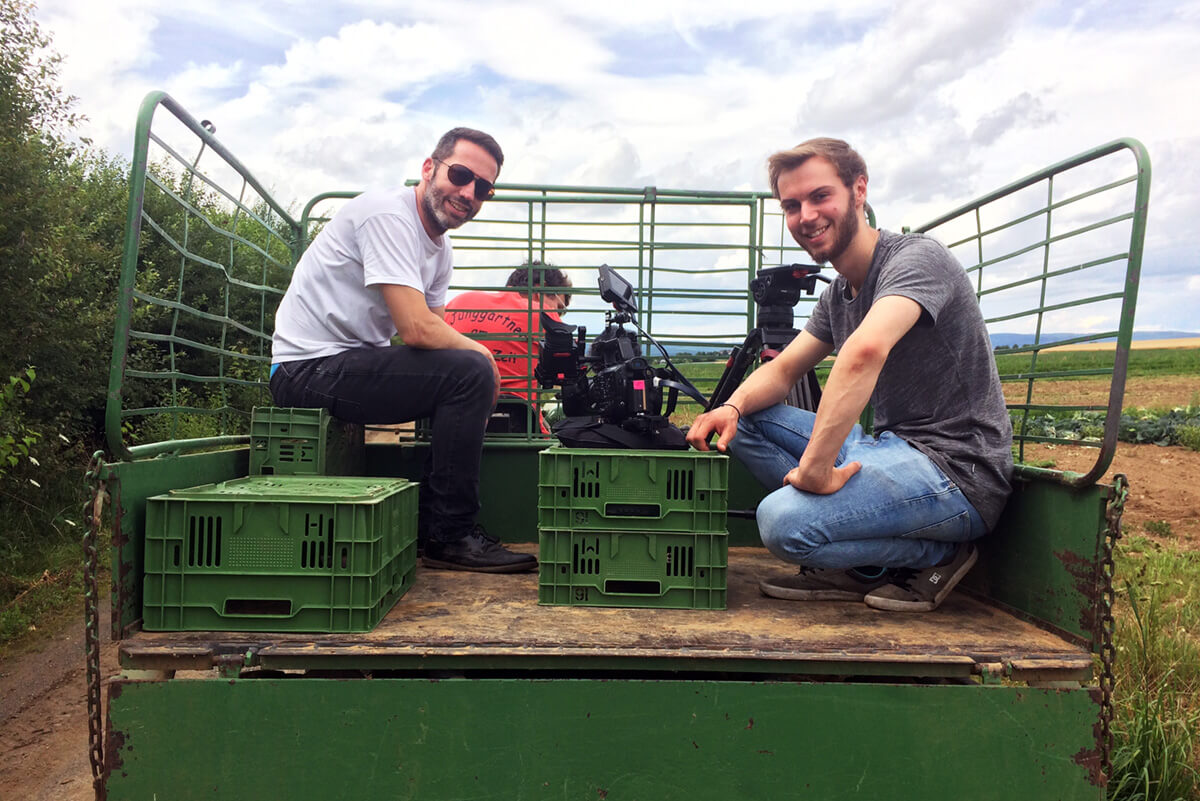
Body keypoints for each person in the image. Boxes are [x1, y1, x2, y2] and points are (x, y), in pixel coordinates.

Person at [687, 138, 1012, 612]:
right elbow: (782, 370)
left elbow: (864, 351)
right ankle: (845, 541)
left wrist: (818, 469)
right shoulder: (838, 294)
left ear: (858, 190)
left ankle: (937, 554)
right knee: (743, 423)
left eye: (821, 196)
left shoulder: (917, 260)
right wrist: (731, 407)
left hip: (958, 472)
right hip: (890, 448)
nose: (807, 216)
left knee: (781, 524)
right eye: (792, 205)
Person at [269, 127, 537, 574]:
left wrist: (471, 365)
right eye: (461, 174)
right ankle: (449, 535)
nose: (469, 192)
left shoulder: (440, 248)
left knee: (463, 370)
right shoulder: (387, 215)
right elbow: (416, 329)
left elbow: (437, 334)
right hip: (304, 370)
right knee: (470, 370)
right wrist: (485, 361)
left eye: (483, 188)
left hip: (345, 363)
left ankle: (438, 525)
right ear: (429, 168)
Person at [445, 261, 572, 431]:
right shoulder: (542, 314)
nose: (557, 316)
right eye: (558, 308)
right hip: (519, 426)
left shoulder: (457, 303)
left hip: (449, 419)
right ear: (541, 288)